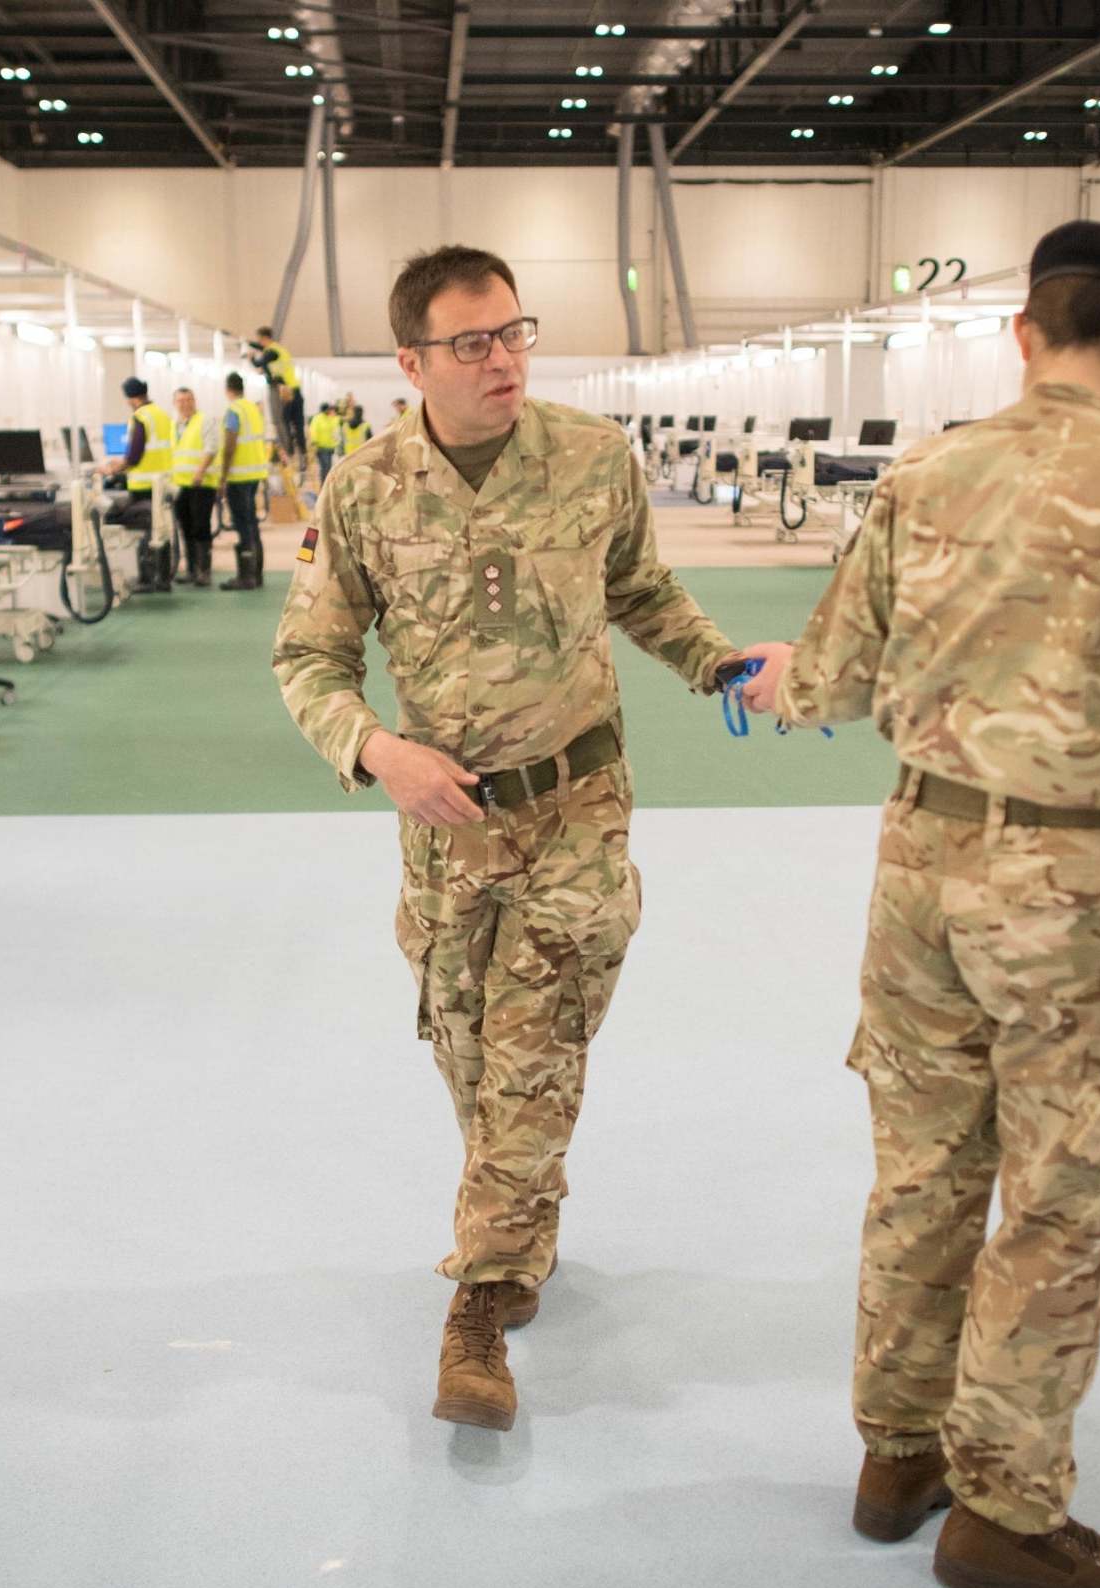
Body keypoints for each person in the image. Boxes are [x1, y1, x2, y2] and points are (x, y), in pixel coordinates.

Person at [735, 221, 1100, 1588]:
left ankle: (895, 1458)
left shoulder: (920, 474)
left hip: (917, 876)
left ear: (1021, 333)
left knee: (920, 1177)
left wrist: (766, 676)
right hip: (1072, 902)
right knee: (1057, 1203)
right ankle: (1004, 1506)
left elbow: (836, 680)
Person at [272, 244, 745, 1432]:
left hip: (577, 808)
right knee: (473, 1052)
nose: (502, 360)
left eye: (515, 333)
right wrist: (378, 751)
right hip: (450, 828)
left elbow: (640, 590)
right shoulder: (366, 487)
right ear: (411, 361)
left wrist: (721, 662)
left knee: (535, 1048)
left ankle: (476, 1309)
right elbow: (309, 657)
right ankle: (520, 1224)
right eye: (473, 343)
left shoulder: (592, 459)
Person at [101, 376, 175, 592]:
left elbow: (134, 455)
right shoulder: (161, 414)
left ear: (130, 399)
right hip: (162, 481)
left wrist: (114, 468)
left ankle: (147, 578)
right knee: (161, 528)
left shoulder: (140, 417)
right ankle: (163, 578)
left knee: (146, 531)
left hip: (144, 484)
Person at [216, 372, 270, 592]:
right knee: (252, 522)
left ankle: (246, 576)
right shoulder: (253, 409)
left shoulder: (234, 411)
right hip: (255, 472)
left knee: (243, 525)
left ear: (228, 389)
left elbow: (230, 445)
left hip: (238, 475)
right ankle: (255, 573)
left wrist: (222, 476)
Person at [170, 387, 216, 589]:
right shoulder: (174, 425)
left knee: (201, 527)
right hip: (179, 485)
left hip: (201, 483)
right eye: (180, 401)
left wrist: (200, 471)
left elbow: (211, 448)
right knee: (185, 527)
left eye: (188, 399)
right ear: (175, 403)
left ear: (195, 401)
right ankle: (190, 570)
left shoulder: (205, 420)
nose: (185, 404)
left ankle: (203, 571)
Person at [250, 326, 308, 459]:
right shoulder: (279, 350)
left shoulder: (271, 351)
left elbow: (259, 362)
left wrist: (251, 358)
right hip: (294, 389)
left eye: (259, 340)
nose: (258, 343)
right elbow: (265, 359)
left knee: (281, 421)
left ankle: (289, 452)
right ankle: (302, 454)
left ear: (264, 338)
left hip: (284, 390)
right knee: (297, 424)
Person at [307, 402, 342, 483]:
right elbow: (313, 430)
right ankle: (324, 485)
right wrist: (315, 443)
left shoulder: (332, 417)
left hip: (331, 447)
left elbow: (338, 423)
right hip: (321, 447)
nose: (330, 411)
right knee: (325, 467)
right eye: (328, 409)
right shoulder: (317, 418)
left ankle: (327, 485)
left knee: (329, 467)